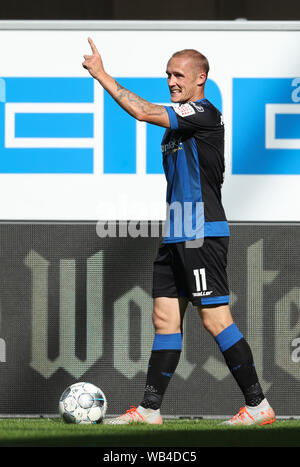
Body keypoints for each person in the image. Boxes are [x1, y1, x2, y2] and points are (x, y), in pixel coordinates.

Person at [82, 38, 275, 426]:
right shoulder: (176, 128)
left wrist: (101, 75)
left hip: (201, 232)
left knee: (215, 318)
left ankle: (258, 406)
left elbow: (142, 111)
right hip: (176, 234)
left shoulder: (202, 111)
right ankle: (150, 410)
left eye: (178, 74)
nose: (171, 80)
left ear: (201, 78)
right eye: (168, 74)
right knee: (164, 319)